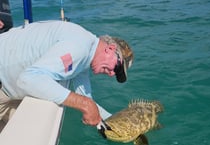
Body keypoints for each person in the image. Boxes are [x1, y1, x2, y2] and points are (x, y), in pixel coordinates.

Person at [0, 20, 133, 129]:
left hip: (8, 89)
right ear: (110, 49)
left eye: (117, 74)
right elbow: (28, 80)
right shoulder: (79, 47)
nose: (112, 74)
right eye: (117, 68)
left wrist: (119, 124)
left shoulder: (85, 55)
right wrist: (84, 104)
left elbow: (86, 98)